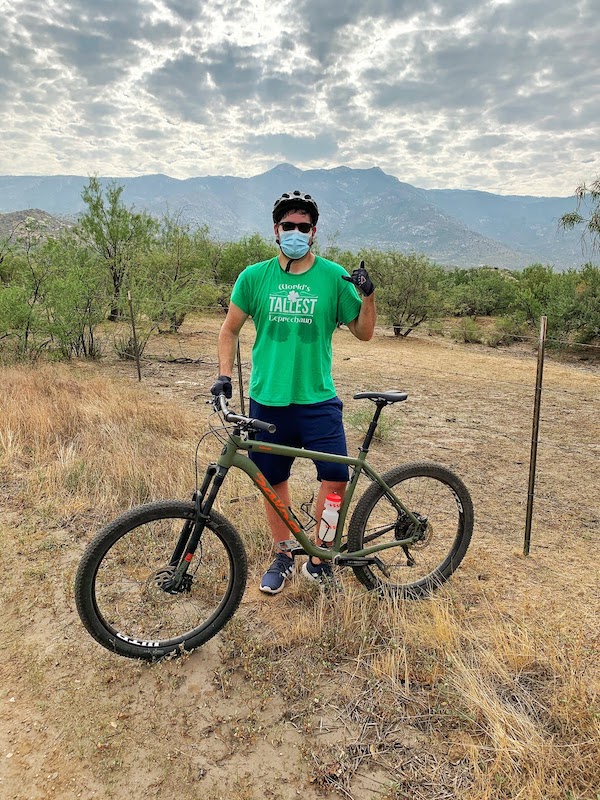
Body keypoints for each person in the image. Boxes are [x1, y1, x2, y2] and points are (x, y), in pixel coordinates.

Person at [210, 190, 376, 594]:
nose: (296, 232)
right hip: (268, 401)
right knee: (272, 482)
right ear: (276, 230)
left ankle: (320, 557)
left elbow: (364, 332)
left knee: (335, 480)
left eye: (304, 227)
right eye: (289, 226)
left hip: (317, 399)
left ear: (314, 232)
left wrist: (368, 296)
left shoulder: (335, 277)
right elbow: (229, 329)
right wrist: (224, 377)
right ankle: (283, 554)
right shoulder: (254, 276)